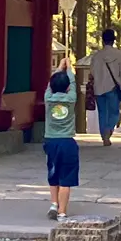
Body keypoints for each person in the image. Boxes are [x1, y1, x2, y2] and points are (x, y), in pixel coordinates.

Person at [42, 60, 79, 220]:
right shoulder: (71, 99)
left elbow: (50, 85)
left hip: (51, 141)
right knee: (66, 177)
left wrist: (58, 68)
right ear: (68, 88)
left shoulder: (48, 99)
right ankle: (62, 212)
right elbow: (72, 82)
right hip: (67, 142)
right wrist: (69, 68)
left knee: (53, 172)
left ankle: (53, 203)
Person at [85, 26, 121, 145]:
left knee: (102, 112)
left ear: (103, 40)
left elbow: (92, 72)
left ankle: (104, 134)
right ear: (114, 40)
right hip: (113, 87)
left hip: (99, 88)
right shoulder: (119, 55)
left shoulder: (97, 56)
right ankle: (109, 129)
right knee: (114, 112)